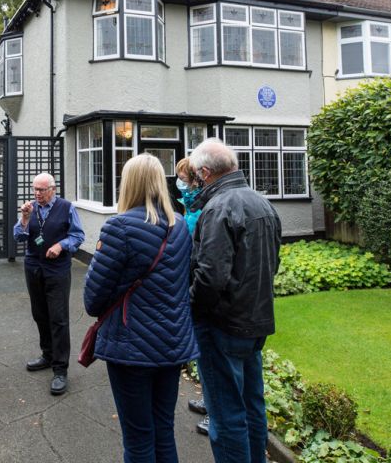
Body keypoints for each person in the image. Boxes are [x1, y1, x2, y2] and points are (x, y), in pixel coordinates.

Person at [84, 154, 199, 463]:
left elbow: (92, 300)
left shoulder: (118, 228)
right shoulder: (179, 228)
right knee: (164, 430)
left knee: (138, 438)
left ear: (128, 184)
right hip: (172, 345)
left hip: (131, 347)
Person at [188, 138, 281, 463]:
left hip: (222, 327)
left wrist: (193, 311)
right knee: (253, 407)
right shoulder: (263, 204)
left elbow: (209, 277)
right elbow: (274, 264)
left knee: (227, 416)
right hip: (255, 324)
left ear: (204, 172)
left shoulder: (218, 208)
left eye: (195, 175)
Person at [14, 172, 85, 395]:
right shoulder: (30, 208)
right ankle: (47, 355)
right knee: (40, 314)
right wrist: (24, 219)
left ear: (52, 189)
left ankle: (60, 369)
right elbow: (18, 236)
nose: (37, 194)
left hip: (57, 270)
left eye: (41, 190)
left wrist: (61, 245)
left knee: (59, 318)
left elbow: (78, 235)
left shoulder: (66, 207)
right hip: (34, 267)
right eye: (34, 189)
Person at [176, 157, 210, 434]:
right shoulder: (192, 203)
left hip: (201, 281)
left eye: (183, 179)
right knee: (202, 346)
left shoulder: (205, 207)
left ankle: (216, 411)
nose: (179, 183)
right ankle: (210, 399)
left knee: (212, 348)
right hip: (190, 274)